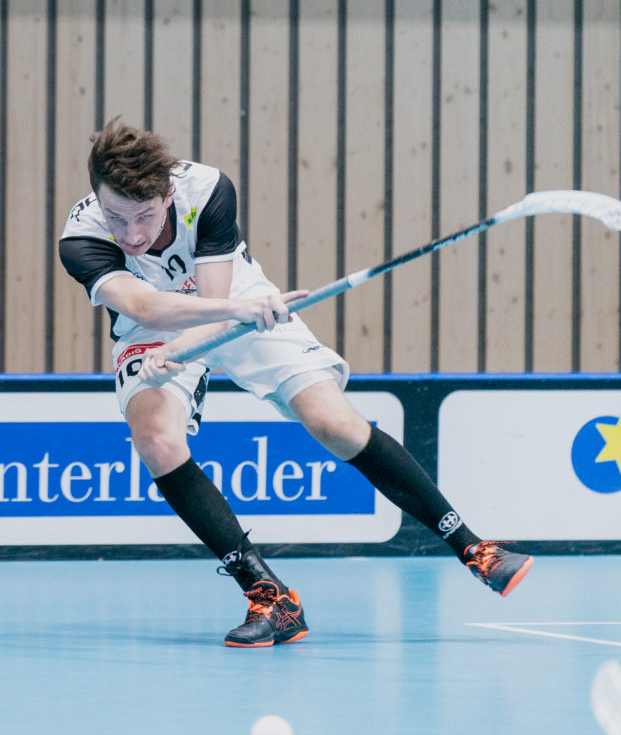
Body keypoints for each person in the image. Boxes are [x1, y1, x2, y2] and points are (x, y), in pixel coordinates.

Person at [58, 117, 533, 647]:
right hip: (156, 325)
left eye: (144, 216)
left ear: (168, 194)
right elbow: (146, 305)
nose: (132, 235)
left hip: (237, 299)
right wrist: (183, 343)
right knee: (154, 438)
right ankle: (269, 596)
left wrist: (237, 312)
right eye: (117, 218)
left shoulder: (209, 191)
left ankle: (473, 547)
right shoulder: (81, 235)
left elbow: (216, 312)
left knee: (334, 423)